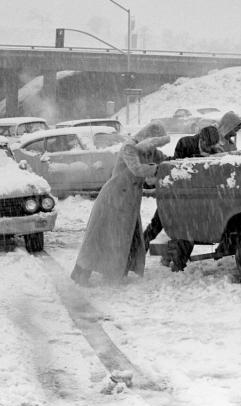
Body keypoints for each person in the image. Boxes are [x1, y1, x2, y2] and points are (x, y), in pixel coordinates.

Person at [70, 122, 170, 286]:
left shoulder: (150, 152)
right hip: (113, 197)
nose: (154, 150)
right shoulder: (129, 148)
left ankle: (116, 272)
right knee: (100, 237)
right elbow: (137, 169)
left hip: (129, 201)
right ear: (148, 138)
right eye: (154, 144)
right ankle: (81, 273)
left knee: (126, 238)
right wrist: (156, 169)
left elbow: (164, 162)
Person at [142, 125, 222, 270]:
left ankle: (178, 264)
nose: (209, 148)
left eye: (212, 146)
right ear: (201, 138)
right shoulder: (185, 143)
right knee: (155, 225)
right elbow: (178, 169)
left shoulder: (215, 151)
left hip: (196, 200)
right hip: (175, 195)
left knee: (187, 230)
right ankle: (135, 257)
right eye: (206, 144)